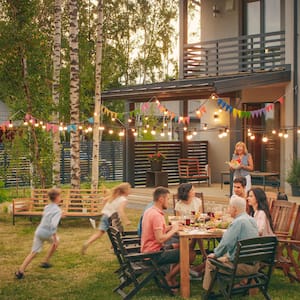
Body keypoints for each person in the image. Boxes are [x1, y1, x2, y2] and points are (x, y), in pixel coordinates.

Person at [141, 187, 195, 289]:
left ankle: (171, 276)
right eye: (168, 199)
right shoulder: (157, 215)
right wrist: (174, 230)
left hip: (148, 250)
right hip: (154, 254)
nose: (169, 202)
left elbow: (158, 230)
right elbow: (160, 239)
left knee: (181, 246)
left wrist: (171, 226)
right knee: (190, 254)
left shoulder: (150, 211)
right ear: (161, 199)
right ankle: (168, 278)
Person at [202, 195, 259, 292]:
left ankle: (208, 293)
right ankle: (251, 290)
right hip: (255, 264)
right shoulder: (252, 220)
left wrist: (215, 254)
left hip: (241, 266)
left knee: (209, 261)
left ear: (234, 209)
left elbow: (226, 243)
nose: (228, 209)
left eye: (229, 207)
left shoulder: (237, 222)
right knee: (225, 256)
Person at [15, 188, 62, 279]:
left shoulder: (47, 207)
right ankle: (45, 261)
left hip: (39, 231)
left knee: (33, 252)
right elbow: (53, 225)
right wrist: (55, 238)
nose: (60, 198)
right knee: (57, 242)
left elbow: (48, 217)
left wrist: (60, 215)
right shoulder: (58, 210)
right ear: (56, 197)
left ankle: (20, 271)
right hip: (47, 233)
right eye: (60, 196)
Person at [82, 182, 131, 254]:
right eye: (129, 189)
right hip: (113, 218)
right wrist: (126, 220)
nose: (130, 190)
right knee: (118, 233)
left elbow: (104, 199)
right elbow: (121, 210)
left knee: (100, 233)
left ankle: (87, 243)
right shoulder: (123, 199)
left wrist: (105, 208)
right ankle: (114, 248)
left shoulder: (114, 196)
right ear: (125, 191)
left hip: (105, 216)